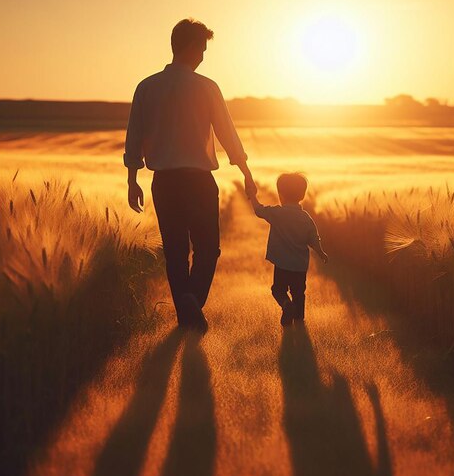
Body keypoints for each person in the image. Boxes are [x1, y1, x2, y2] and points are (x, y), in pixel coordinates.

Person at [123, 18, 256, 333]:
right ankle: (192, 302)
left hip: (164, 183)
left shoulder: (146, 86)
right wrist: (246, 172)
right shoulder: (206, 87)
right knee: (209, 249)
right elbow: (227, 134)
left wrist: (132, 180)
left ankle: (187, 312)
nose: (203, 56)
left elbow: (134, 136)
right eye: (203, 48)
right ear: (193, 47)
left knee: (176, 252)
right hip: (198, 182)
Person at [246, 173, 328, 326]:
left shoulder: (277, 213)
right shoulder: (306, 218)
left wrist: (252, 196)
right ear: (302, 195)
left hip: (282, 264)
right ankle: (299, 320)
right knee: (298, 293)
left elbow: (258, 210)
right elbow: (313, 238)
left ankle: (285, 305)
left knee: (278, 290)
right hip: (299, 265)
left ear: (281, 195)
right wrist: (321, 252)